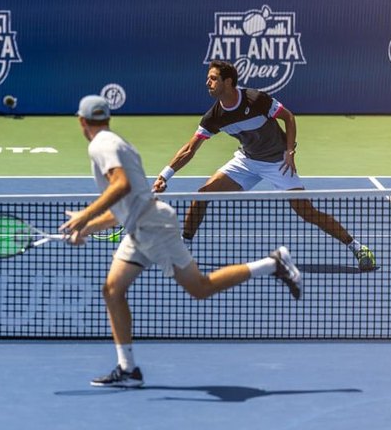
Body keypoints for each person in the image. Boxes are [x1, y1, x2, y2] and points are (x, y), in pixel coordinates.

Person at [60, 95, 302, 388]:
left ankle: (272, 264)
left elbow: (121, 186)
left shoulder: (100, 145)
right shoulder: (117, 143)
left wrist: (84, 217)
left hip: (155, 228)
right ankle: (128, 370)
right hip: (141, 226)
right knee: (112, 290)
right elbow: (129, 202)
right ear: (106, 118)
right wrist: (87, 228)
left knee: (200, 288)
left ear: (82, 121)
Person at [152, 60, 375, 271]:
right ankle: (184, 248)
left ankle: (357, 247)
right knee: (202, 195)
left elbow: (288, 117)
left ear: (228, 82)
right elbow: (190, 149)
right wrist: (164, 176)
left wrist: (290, 151)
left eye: (213, 79)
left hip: (278, 162)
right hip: (247, 161)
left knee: (306, 212)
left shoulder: (256, 99)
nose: (207, 83)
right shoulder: (214, 116)